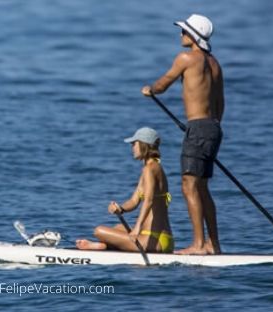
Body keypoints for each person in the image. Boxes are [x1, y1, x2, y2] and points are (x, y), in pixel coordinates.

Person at [141, 14, 224, 255]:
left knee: (189, 186)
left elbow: (163, 83)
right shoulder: (215, 64)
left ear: (194, 36)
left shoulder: (186, 58)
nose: (181, 35)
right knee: (202, 187)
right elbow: (220, 103)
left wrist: (150, 89)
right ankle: (213, 244)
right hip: (214, 128)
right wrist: (211, 129)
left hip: (198, 128)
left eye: (184, 31)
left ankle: (198, 245)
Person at [76, 127, 174, 253]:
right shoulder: (153, 167)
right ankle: (102, 246)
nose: (132, 147)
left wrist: (137, 228)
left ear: (144, 145)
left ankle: (102, 246)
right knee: (118, 227)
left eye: (134, 143)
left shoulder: (149, 169)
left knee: (99, 231)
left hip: (153, 240)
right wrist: (120, 209)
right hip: (160, 238)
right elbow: (134, 201)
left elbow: (148, 200)